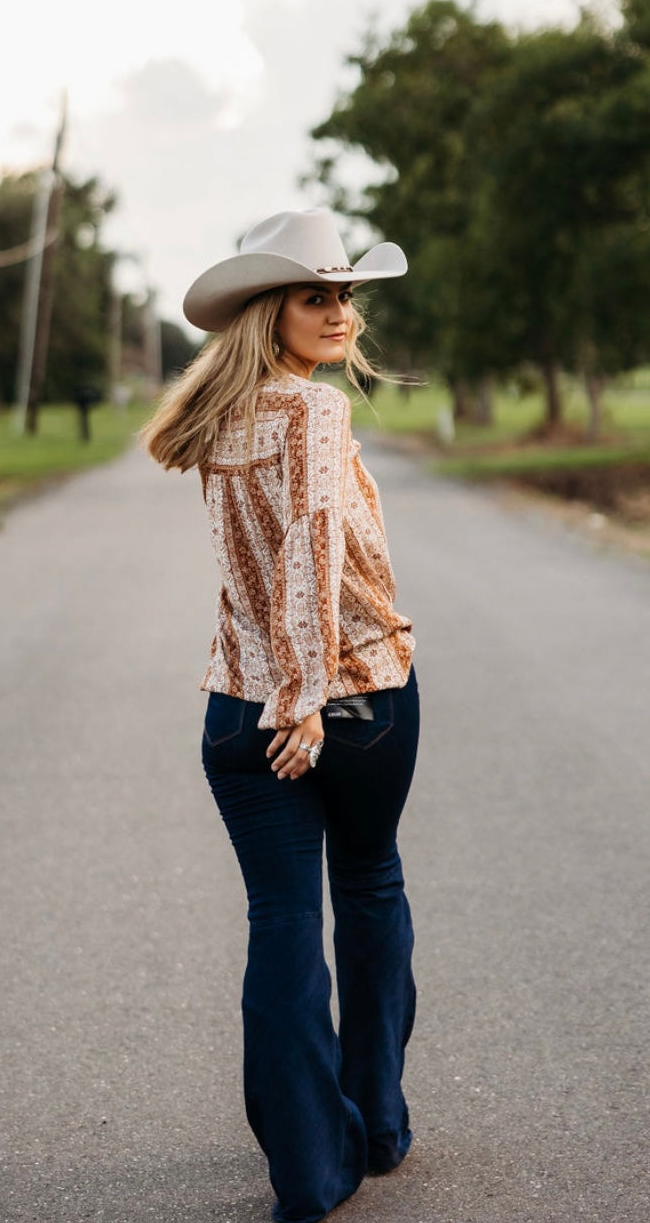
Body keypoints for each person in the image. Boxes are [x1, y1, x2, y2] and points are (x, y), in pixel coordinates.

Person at [141, 209, 420, 1223]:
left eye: (346, 293)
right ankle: (377, 1120)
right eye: (317, 294)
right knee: (370, 881)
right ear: (271, 311)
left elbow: (257, 569)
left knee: (285, 923)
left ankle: (308, 1172)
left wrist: (269, 690)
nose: (341, 311)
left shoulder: (214, 419)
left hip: (232, 707)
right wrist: (303, 693)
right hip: (344, 699)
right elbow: (307, 543)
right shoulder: (313, 412)